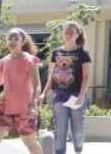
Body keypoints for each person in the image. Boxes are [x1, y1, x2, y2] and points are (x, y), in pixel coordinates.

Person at [0, 28, 42, 154]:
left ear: (22, 41)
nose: (12, 41)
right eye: (9, 38)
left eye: (16, 39)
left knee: (30, 144)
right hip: (5, 108)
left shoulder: (29, 60)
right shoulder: (4, 61)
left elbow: (37, 85)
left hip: (25, 109)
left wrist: (33, 106)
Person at [39, 21, 91, 154]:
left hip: (76, 95)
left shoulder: (83, 53)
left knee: (77, 128)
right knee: (60, 128)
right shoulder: (56, 52)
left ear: (77, 34)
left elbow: (86, 77)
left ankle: (78, 150)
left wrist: (81, 95)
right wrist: (44, 93)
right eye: (65, 32)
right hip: (59, 94)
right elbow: (51, 76)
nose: (67, 35)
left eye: (71, 32)